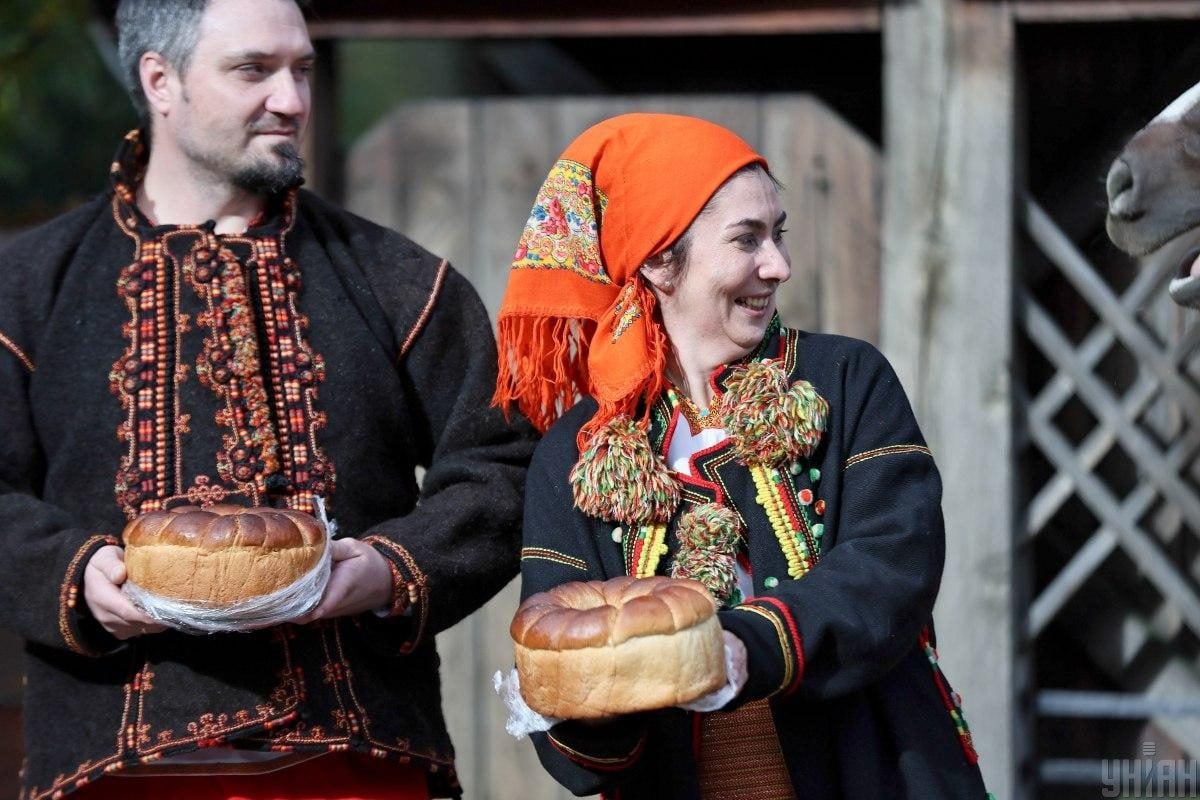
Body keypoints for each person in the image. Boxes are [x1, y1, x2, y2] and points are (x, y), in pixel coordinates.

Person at [0, 1, 534, 798]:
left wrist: (388, 571)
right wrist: (77, 580)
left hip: (360, 767)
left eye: (303, 70)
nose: (291, 99)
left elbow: (503, 463)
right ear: (160, 80)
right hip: (114, 769)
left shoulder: (399, 282)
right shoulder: (27, 288)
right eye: (253, 70)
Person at [492, 113, 991, 798]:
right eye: (746, 240)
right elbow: (571, 716)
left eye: (778, 233)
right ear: (659, 261)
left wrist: (742, 648)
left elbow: (894, 562)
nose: (778, 265)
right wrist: (578, 697)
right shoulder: (574, 454)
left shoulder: (845, 382)